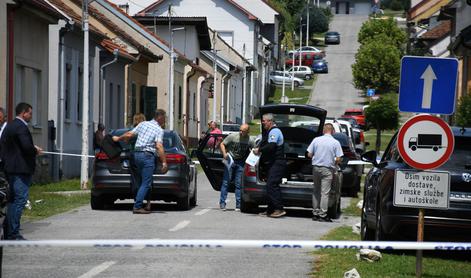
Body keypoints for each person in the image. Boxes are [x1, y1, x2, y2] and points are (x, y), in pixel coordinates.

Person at [112, 109, 168, 214]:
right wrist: (164, 162)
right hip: (147, 156)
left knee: (140, 182)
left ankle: (144, 204)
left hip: (136, 155)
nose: (165, 120)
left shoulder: (143, 124)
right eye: (165, 118)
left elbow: (129, 134)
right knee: (146, 182)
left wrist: (118, 138)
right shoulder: (159, 130)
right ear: (160, 117)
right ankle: (138, 206)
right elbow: (159, 146)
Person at [0, 103, 42, 240]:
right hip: (20, 169)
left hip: (11, 168)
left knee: (13, 200)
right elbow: (26, 147)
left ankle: (8, 231)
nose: (31, 116)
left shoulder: (10, 126)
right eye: (30, 113)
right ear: (24, 113)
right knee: (19, 200)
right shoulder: (21, 127)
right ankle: (13, 233)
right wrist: (35, 150)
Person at [306, 123, 343, 222]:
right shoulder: (335, 142)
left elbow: (309, 154)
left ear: (323, 130)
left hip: (316, 168)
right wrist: (335, 162)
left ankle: (315, 212)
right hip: (327, 169)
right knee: (325, 193)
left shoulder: (316, 140)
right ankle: (323, 214)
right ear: (333, 131)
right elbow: (339, 158)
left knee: (316, 190)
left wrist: (316, 157)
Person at [253, 113, 286, 218]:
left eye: (264, 121)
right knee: (269, 186)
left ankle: (279, 209)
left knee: (272, 185)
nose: (263, 123)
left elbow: (271, 146)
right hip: (272, 163)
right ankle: (270, 210)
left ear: (270, 121)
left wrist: (259, 150)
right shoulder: (269, 132)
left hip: (277, 162)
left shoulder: (275, 131)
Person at [219, 123, 255, 211]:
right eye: (240, 130)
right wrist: (224, 154)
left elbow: (254, 149)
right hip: (230, 160)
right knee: (226, 182)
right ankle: (222, 203)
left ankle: (238, 205)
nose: (240, 132)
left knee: (238, 184)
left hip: (241, 162)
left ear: (247, 132)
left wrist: (253, 157)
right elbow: (222, 144)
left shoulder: (250, 140)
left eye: (243, 131)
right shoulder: (233, 136)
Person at [129, 113, 147, 206]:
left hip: (133, 154)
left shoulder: (132, 131)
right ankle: (144, 198)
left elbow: (128, 140)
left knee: (135, 178)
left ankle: (137, 198)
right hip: (145, 154)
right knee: (145, 178)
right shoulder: (146, 130)